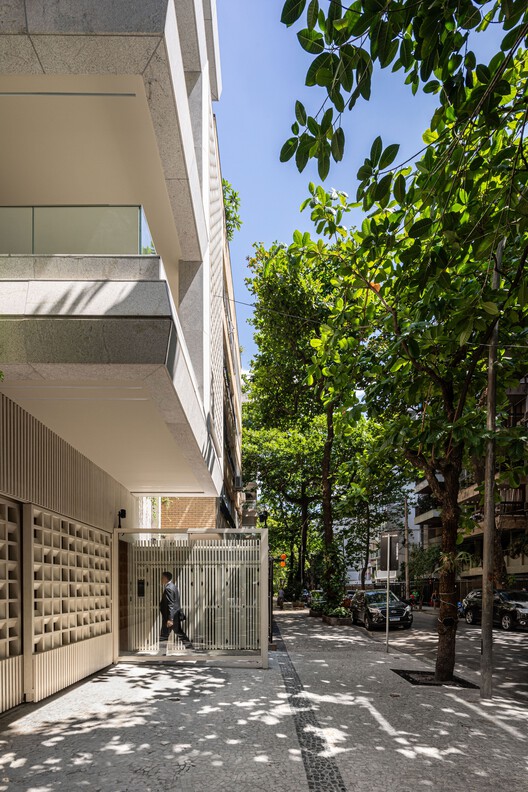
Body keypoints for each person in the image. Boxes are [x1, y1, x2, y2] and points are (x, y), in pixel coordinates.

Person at [159, 571, 181, 640]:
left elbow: (170, 604)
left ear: (165, 578)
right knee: (165, 636)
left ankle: (162, 651)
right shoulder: (173, 586)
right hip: (174, 616)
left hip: (169, 617)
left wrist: (170, 619)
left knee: (163, 637)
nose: (161, 579)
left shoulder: (169, 588)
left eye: (162, 577)